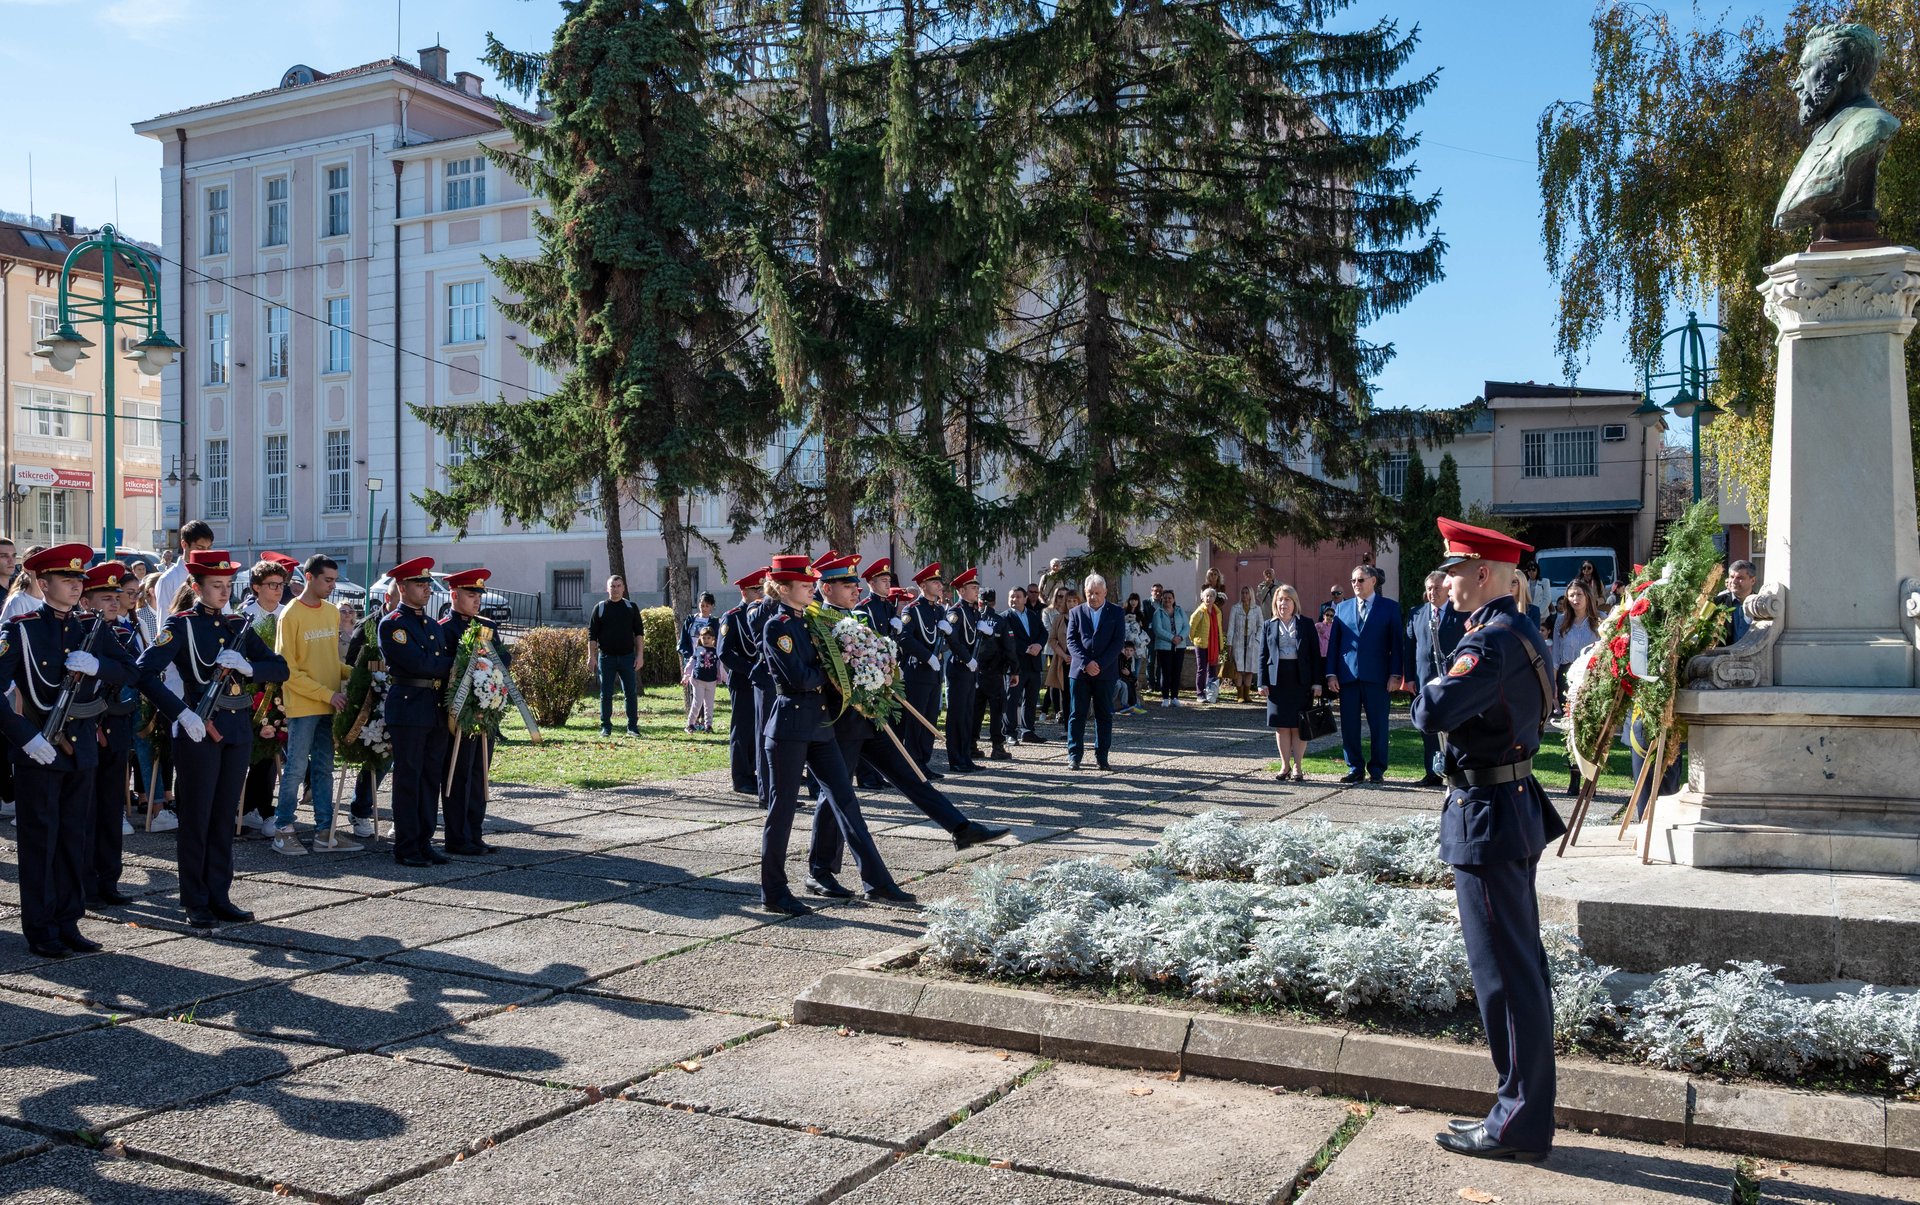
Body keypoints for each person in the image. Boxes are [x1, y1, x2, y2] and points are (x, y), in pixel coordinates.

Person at [1412, 517, 1563, 1163]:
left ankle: (1517, 1121)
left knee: (1505, 977)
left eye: (1452, 574)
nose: (1444, 585)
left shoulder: (1491, 641)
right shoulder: (1518, 630)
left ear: (1482, 573)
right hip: (1510, 808)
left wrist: (1434, 684)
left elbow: (1432, 710)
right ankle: (1519, 1109)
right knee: (1519, 969)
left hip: (1489, 818)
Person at [805, 555, 1007, 897]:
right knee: (836, 797)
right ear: (826, 588)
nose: (856, 589)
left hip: (869, 716)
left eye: (856, 584)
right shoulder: (818, 622)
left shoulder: (855, 617)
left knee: (911, 775)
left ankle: (960, 827)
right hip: (841, 723)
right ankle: (821, 871)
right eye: (848, 585)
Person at [0, 546, 141, 956]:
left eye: (79, 579)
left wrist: (101, 667)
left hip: (82, 752)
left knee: (73, 839)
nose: (77, 584)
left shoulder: (90, 629)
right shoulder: (21, 631)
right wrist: (24, 737)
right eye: (67, 579)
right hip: (39, 750)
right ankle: (41, 930)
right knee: (40, 842)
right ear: (43, 585)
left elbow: (134, 670)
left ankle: (68, 921)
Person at [136, 550, 286, 929]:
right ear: (196, 586)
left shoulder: (239, 625)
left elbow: (280, 667)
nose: (223, 592)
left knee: (224, 818)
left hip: (236, 730)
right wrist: (180, 713)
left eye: (226, 586)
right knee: (197, 818)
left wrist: (250, 666)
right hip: (198, 729)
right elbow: (144, 673)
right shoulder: (182, 625)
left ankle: (220, 894)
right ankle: (195, 899)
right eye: (215, 586)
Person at [758, 554, 911, 915]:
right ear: (783, 588)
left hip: (820, 725)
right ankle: (774, 892)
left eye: (813, 583)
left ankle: (878, 882)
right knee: (781, 811)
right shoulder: (777, 626)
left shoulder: (812, 622)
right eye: (805, 584)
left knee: (846, 800)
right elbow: (798, 678)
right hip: (791, 727)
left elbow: (822, 666)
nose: (812, 588)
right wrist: (831, 671)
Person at [82, 562, 172, 907]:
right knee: (87, 810)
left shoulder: (124, 633)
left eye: (116, 597)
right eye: (105, 597)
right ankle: (86, 882)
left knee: (110, 806)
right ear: (88, 600)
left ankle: (109, 879)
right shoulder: (77, 632)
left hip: (117, 726)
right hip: (83, 730)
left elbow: (137, 675)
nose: (114, 603)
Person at [271, 555, 359, 855]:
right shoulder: (290, 614)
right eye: (328, 580)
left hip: (329, 703)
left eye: (335, 580)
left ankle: (325, 832)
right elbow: (288, 669)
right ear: (309, 577)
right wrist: (326, 693)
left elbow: (330, 661)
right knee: (295, 769)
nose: (333, 586)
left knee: (323, 769)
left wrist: (357, 673)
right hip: (304, 705)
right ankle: (283, 829)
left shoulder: (332, 613)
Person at [378, 557, 456, 868]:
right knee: (409, 778)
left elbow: (434, 661)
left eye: (427, 584)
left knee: (429, 778)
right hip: (409, 704)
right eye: (420, 584)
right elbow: (418, 664)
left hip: (433, 706)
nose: (426, 589)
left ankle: (424, 841)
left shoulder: (431, 625)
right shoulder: (394, 624)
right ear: (402, 587)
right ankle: (406, 845)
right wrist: (453, 666)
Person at [441, 567, 515, 856]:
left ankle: (475, 833)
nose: (477, 601)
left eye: (479, 595)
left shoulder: (487, 627)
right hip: (458, 717)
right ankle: (456, 837)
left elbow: (503, 658)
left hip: (485, 713)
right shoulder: (444, 628)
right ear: (454, 594)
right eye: (471, 595)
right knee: (457, 776)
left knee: (479, 775)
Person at [1324, 565, 1405, 784]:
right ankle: (1355, 768)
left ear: (1373, 581)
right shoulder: (1343, 608)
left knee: (1378, 724)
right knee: (1349, 725)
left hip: (1378, 677)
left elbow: (1397, 644)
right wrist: (1331, 673)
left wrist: (1395, 674)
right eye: (1353, 581)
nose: (1355, 585)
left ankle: (1377, 769)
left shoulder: (1389, 608)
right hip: (1348, 677)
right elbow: (1334, 645)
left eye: (1360, 580)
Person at [237, 557, 292, 838]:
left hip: (280, 690)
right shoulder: (245, 617)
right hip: (252, 690)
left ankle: (262, 806)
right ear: (256, 587)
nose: (278, 590)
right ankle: (243, 807)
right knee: (250, 752)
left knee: (272, 750)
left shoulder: (287, 614)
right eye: (271, 585)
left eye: (281, 585)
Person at [1404, 570, 1468, 788]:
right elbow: (1410, 648)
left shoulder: (1461, 613)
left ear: (1448, 588)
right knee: (1427, 726)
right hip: (1423, 679)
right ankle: (1432, 772)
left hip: (1452, 678)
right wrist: (1410, 678)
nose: (1432, 592)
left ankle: (1455, 770)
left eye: (1437, 588)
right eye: (1429, 588)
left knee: (1453, 726)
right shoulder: (1417, 613)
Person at [1259, 585, 1323, 782]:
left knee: (1299, 725)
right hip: (1277, 681)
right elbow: (1263, 656)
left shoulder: (1306, 624)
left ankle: (1298, 766)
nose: (1283, 604)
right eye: (1280, 600)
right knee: (1282, 725)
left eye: (1287, 600)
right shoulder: (1269, 625)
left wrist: (1317, 683)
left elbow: (1315, 656)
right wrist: (1262, 682)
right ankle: (1284, 765)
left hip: (1301, 679)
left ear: (1295, 603)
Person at [1064, 573, 1125, 771]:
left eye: (1097, 593)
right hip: (1080, 673)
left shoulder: (1116, 612)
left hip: (1105, 672)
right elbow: (1071, 641)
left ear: (1105, 592)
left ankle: (1102, 756)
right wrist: (1085, 663)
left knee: (1104, 715)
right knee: (1077, 714)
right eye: (1090, 593)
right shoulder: (1076, 612)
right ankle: (1074, 755)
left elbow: (1118, 642)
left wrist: (1099, 664)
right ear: (1085, 592)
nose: (1093, 597)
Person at [1548, 580, 1603, 796]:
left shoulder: (1598, 622)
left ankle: (1591, 780)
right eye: (1571, 595)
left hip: (1590, 676)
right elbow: (1555, 657)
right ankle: (1573, 778)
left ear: (1587, 596)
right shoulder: (1562, 622)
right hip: (1567, 674)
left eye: (1579, 594)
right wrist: (1553, 683)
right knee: (1571, 727)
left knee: (1590, 728)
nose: (1575, 599)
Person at [717, 569, 768, 795]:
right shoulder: (732, 616)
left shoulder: (765, 614)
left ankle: (760, 772)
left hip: (764, 681)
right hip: (743, 679)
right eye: (755, 589)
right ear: (743, 592)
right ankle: (741, 777)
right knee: (743, 729)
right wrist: (751, 670)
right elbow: (724, 653)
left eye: (761, 589)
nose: (759, 593)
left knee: (762, 729)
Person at [896, 565, 947, 775]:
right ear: (923, 585)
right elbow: (905, 638)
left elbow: (940, 639)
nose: (940, 585)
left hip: (935, 673)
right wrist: (927, 656)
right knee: (916, 721)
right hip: (917, 672)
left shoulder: (940, 609)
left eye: (939, 582)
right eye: (935, 582)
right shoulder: (912, 609)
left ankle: (924, 761)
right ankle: (913, 763)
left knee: (930, 719)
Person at [588, 574, 645, 738]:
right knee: (605, 694)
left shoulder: (631, 607)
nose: (616, 589)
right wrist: (591, 657)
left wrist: (640, 656)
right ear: (607, 589)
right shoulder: (600, 608)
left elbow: (639, 634)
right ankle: (606, 727)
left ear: (624, 588)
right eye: (613, 586)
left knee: (630, 693)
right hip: (606, 658)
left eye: (619, 586)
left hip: (628, 657)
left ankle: (632, 727)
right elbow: (592, 636)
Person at [942, 568, 983, 774]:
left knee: (968, 715)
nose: (977, 590)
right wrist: (967, 659)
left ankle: (966, 757)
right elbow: (953, 640)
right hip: (959, 668)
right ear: (961, 590)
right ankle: (956, 759)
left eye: (977, 587)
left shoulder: (974, 610)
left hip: (970, 669)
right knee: (957, 716)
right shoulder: (956, 612)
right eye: (973, 587)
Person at [973, 588, 1017, 760]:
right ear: (994, 601)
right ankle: (997, 747)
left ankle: (971, 744)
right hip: (996, 672)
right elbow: (1010, 648)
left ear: (980, 601)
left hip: (976, 671)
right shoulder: (1000, 621)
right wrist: (1014, 670)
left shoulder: (974, 619)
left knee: (976, 710)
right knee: (997, 710)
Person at [151, 520, 214, 633]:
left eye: (209, 548)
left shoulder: (213, 576)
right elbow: (164, 624)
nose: (205, 553)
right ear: (184, 544)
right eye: (200, 548)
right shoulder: (168, 579)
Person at [1006, 586, 1046, 744]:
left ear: (1025, 599)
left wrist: (1039, 645)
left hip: (1033, 664)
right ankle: (1009, 732)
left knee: (1031, 699)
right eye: (1011, 596)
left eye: (1017, 596)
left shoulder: (1033, 615)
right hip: (1015, 666)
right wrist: (1026, 648)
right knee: (1012, 699)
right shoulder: (1005, 617)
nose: (1014, 599)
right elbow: (1008, 639)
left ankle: (1028, 730)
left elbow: (1044, 633)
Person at [1188, 588, 1226, 703]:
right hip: (1201, 644)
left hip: (1213, 644)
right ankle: (1200, 693)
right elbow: (1191, 628)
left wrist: (1220, 642)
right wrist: (1195, 640)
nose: (1209, 598)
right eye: (1207, 596)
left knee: (1213, 669)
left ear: (1215, 598)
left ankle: (1211, 694)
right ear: (1202, 598)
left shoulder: (1217, 612)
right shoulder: (1199, 612)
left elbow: (1219, 628)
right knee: (1202, 669)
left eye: (1211, 596)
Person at [1149, 591, 1186, 705]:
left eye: (1170, 598)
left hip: (1179, 646)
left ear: (1174, 599)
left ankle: (1175, 697)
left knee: (1177, 671)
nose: (1167, 600)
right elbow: (1158, 630)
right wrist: (1172, 638)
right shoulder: (1158, 613)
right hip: (1164, 647)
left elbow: (1186, 626)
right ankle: (1165, 697)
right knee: (1166, 672)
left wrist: (1180, 637)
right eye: (1165, 598)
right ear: (1162, 600)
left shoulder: (1180, 611)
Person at [1227, 584, 1260, 703]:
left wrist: (1257, 639)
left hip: (1252, 642)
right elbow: (1231, 627)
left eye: (1246, 593)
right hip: (1238, 640)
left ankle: (1247, 694)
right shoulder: (1235, 608)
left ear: (1251, 595)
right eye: (1242, 593)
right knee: (1239, 668)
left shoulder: (1257, 609)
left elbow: (1261, 626)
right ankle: (1240, 695)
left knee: (1250, 669)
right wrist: (1229, 644)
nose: (1244, 595)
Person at [1042, 587, 1072, 721]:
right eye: (1060, 596)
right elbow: (1049, 632)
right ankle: (1057, 711)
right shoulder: (1049, 612)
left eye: (1066, 596)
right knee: (1054, 683)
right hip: (1053, 653)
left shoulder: (1078, 615)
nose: (1063, 599)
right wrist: (1062, 652)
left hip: (1073, 657)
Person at [1714, 559, 1758, 642]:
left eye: (1740, 578)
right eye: (1731, 577)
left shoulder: (1760, 604)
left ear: (1752, 580)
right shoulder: (1717, 603)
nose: (1733, 581)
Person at [686, 626, 719, 732]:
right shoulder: (698, 650)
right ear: (700, 638)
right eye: (704, 638)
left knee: (709, 704)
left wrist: (723, 677)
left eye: (708, 638)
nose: (706, 640)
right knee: (697, 702)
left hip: (711, 681)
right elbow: (691, 663)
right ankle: (690, 724)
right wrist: (686, 675)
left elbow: (719, 666)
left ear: (713, 638)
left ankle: (708, 725)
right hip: (698, 680)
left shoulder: (716, 651)